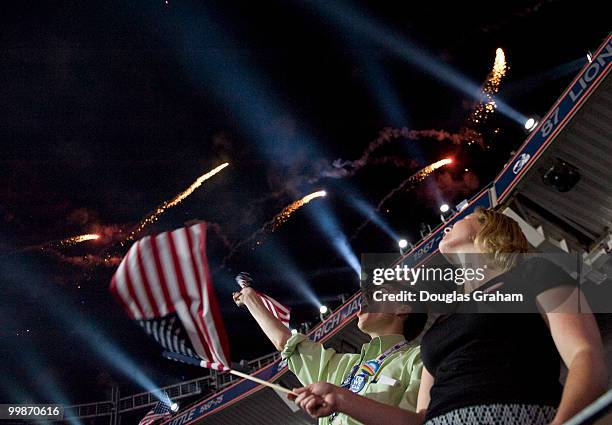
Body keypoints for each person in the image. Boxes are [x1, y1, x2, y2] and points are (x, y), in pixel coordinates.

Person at [289, 208, 608, 425]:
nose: (451, 221)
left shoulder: (536, 271)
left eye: (467, 216)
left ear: (488, 228)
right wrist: (341, 398)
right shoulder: (441, 325)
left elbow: (584, 354)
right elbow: (420, 418)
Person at [232, 274, 427, 425]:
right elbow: (286, 343)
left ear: (402, 308)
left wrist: (342, 399)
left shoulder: (419, 359)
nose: (366, 299)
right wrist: (250, 299)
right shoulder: (343, 365)